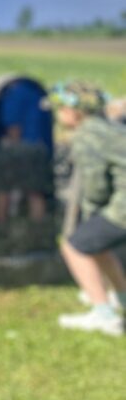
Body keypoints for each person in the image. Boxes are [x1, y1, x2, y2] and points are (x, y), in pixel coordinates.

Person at [52, 80, 126, 337]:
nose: (58, 114)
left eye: (60, 108)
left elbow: (95, 184)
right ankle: (120, 298)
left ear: (74, 112)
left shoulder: (86, 135)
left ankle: (103, 314)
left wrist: (93, 211)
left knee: (74, 246)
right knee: (98, 245)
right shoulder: (109, 127)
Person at [0, 78, 53, 223]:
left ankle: (1, 225)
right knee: (35, 191)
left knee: (2, 188)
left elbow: (13, 127)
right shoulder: (37, 93)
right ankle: (38, 229)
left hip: (19, 148)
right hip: (39, 148)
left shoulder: (14, 94)